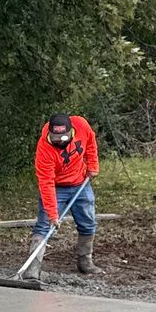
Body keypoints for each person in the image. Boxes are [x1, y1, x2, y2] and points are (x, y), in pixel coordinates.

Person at [28, 112, 100, 280]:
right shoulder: (44, 149)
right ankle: (33, 267)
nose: (60, 141)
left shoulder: (81, 125)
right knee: (44, 225)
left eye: (64, 138)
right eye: (56, 138)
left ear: (72, 131)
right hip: (56, 187)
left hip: (80, 183)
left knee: (88, 223)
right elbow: (46, 183)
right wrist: (53, 215)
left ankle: (85, 261)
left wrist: (93, 165)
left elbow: (90, 142)